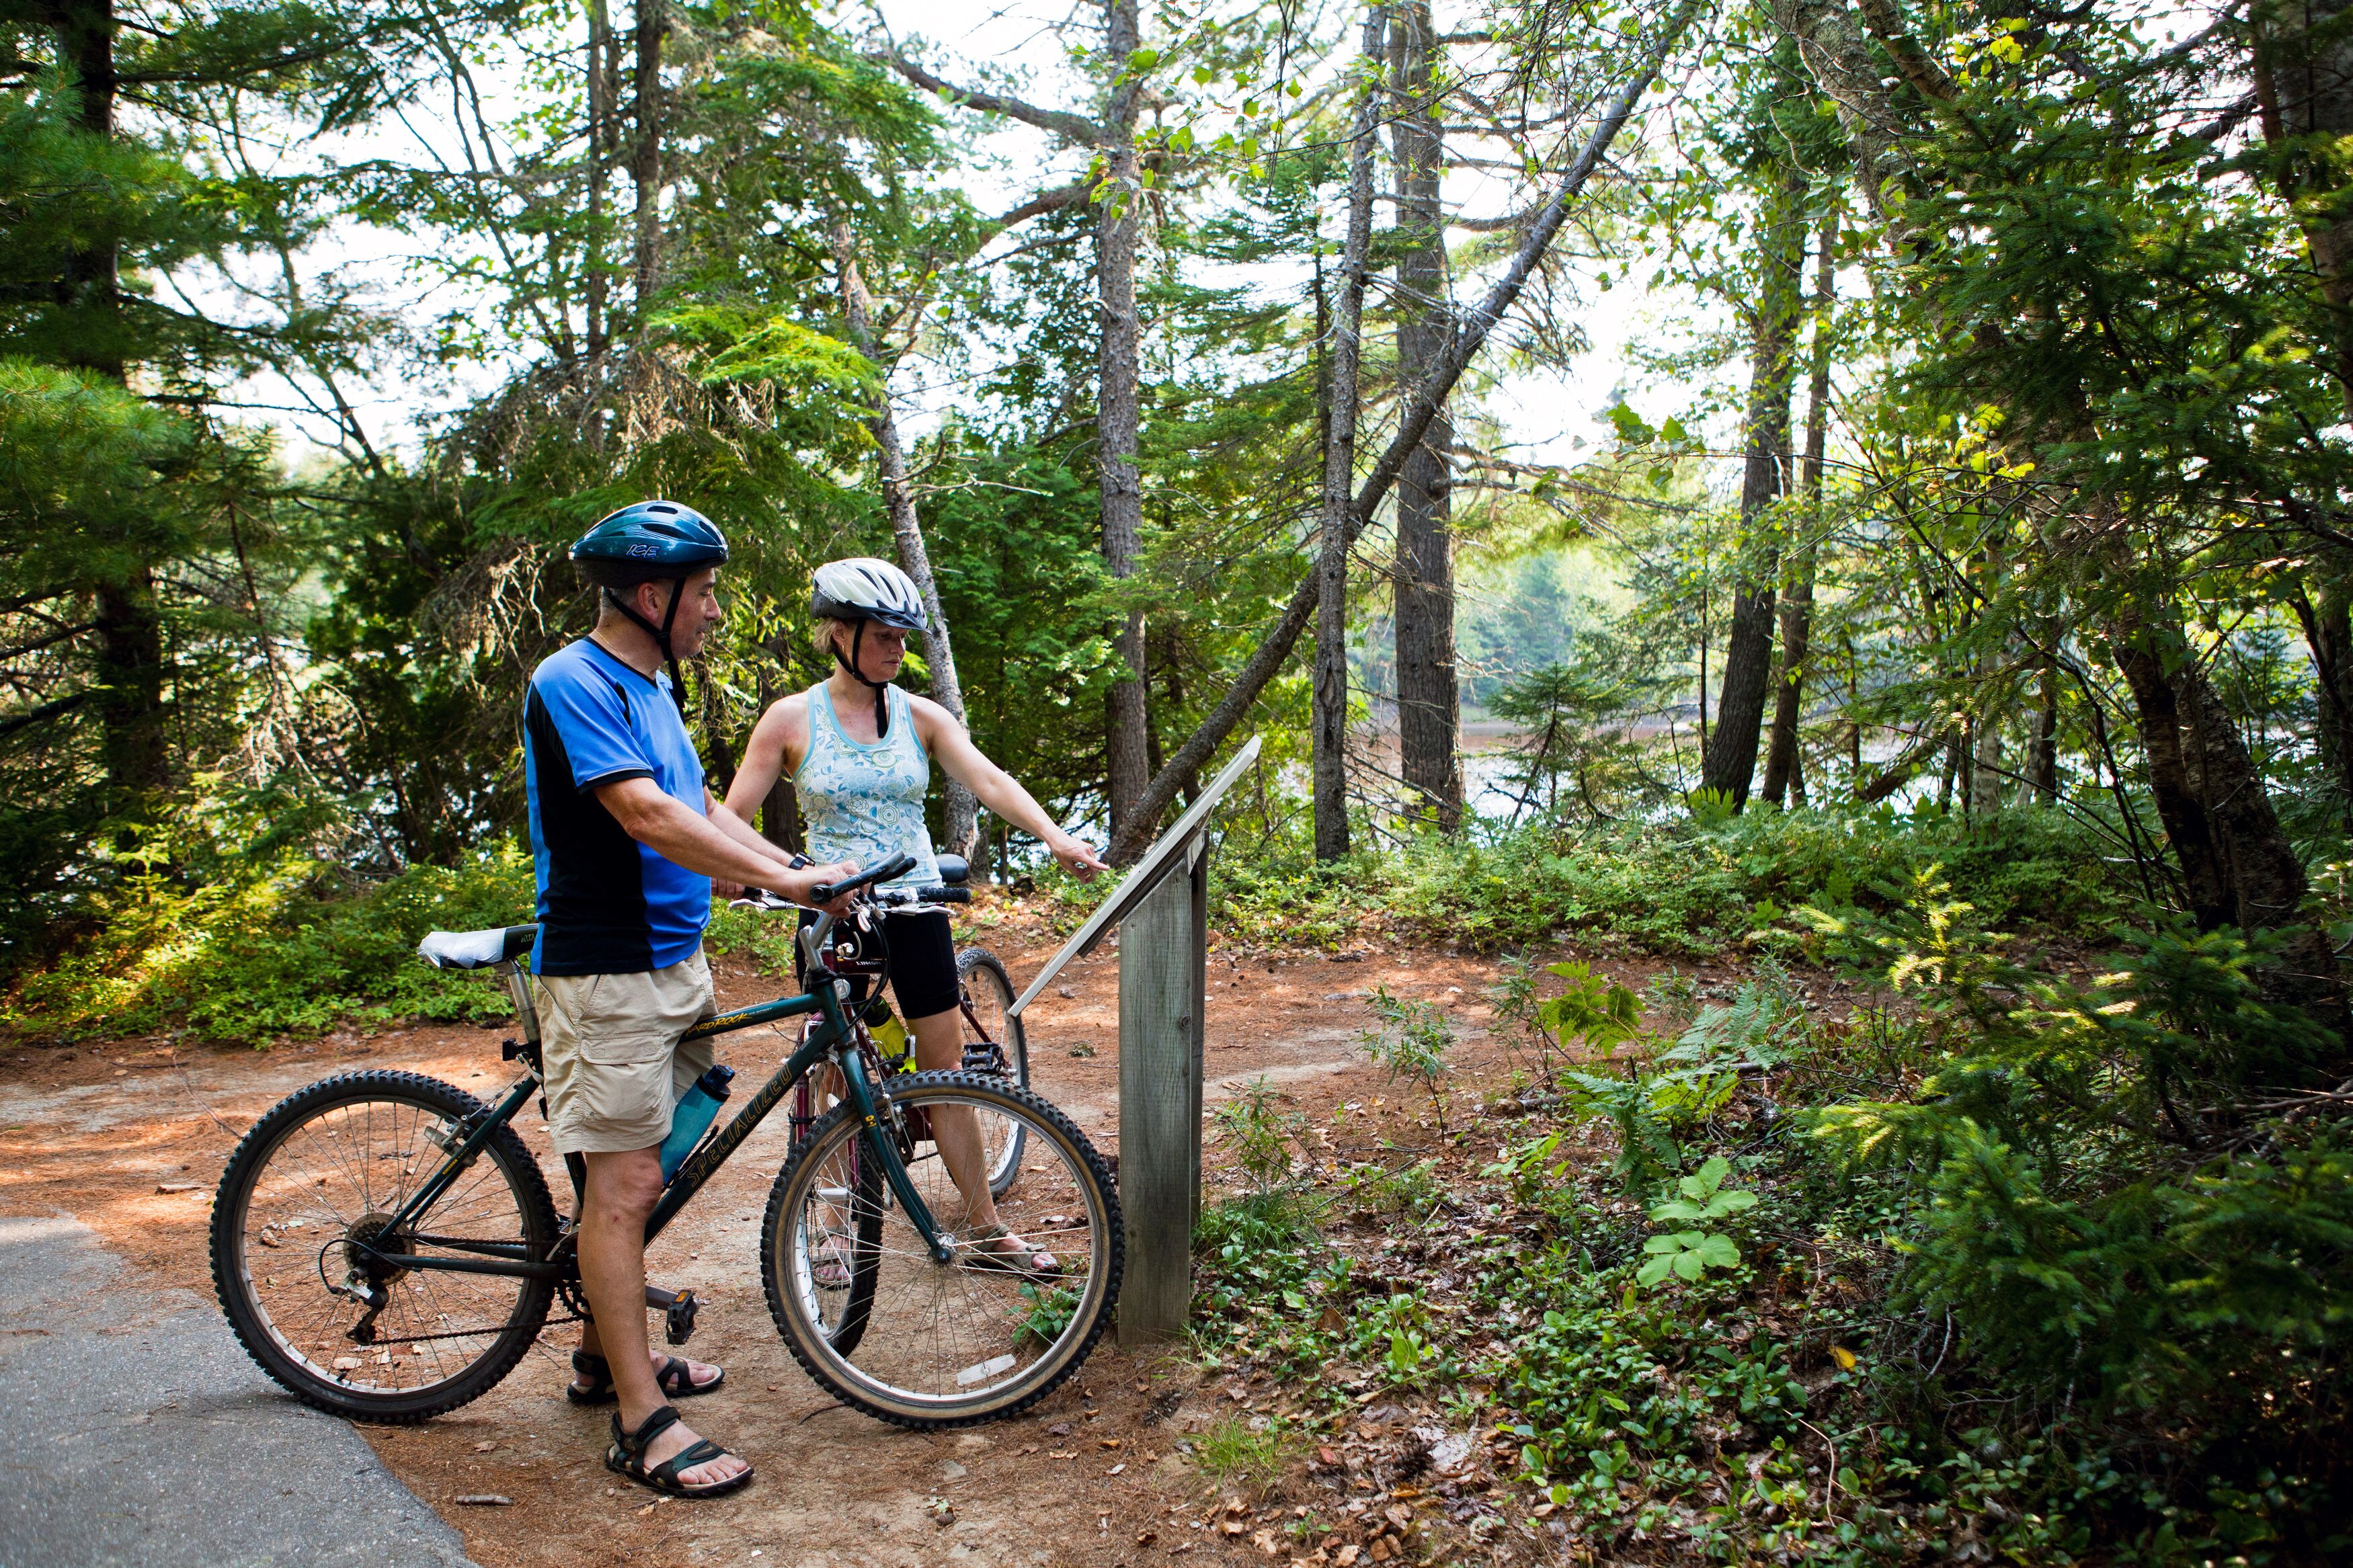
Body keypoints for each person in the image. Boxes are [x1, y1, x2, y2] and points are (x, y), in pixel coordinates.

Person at [524, 501, 857, 1500]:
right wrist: (793, 883)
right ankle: (640, 1422)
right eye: (704, 592)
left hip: (673, 963)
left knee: (646, 1175)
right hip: (605, 972)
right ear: (652, 593)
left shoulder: (654, 684)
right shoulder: (571, 679)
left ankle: (601, 1355)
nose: (714, 610)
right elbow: (644, 812)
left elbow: (701, 803)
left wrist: (792, 865)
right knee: (622, 1189)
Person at [721, 556, 1110, 1269]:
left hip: (916, 904)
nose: (898, 651)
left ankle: (987, 1228)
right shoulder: (789, 719)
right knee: (835, 1071)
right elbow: (728, 816)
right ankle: (833, 1229)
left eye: (905, 637)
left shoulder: (920, 715)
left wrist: (1054, 835)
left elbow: (987, 777)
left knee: (943, 1064)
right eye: (883, 636)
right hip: (833, 911)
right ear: (838, 634)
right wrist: (782, 873)